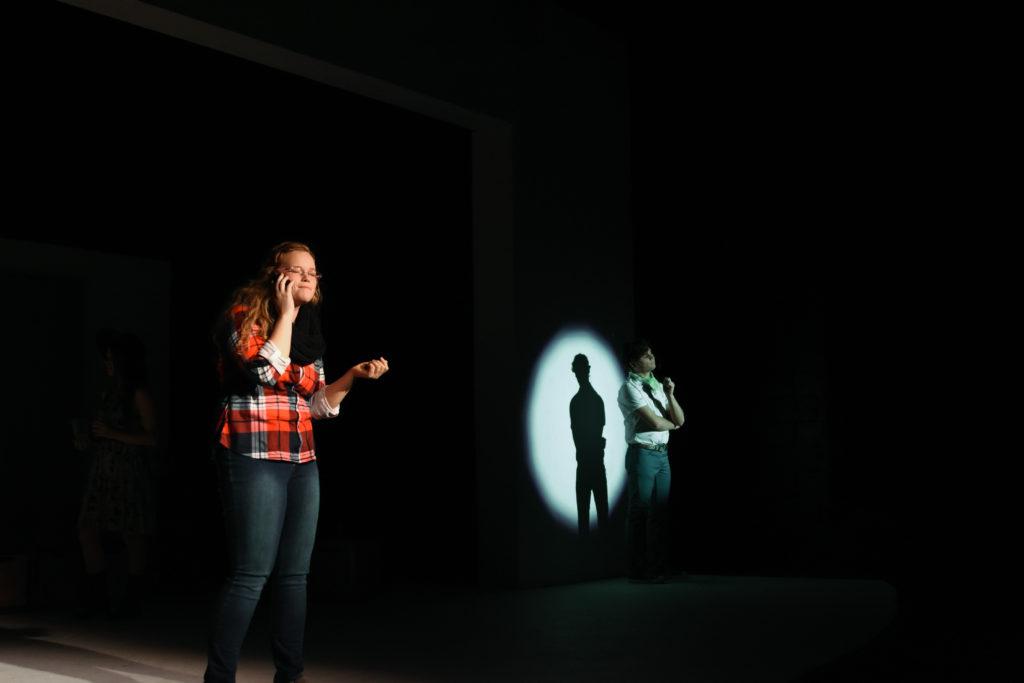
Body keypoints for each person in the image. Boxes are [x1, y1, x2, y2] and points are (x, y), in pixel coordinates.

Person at [205, 241, 389, 683]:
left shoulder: (309, 330)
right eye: (299, 271)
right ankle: (219, 677)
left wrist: (352, 377)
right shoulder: (243, 316)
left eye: (314, 272)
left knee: (295, 577)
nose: (309, 278)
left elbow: (319, 405)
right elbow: (266, 372)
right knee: (252, 574)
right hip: (252, 454)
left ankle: (291, 674)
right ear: (276, 274)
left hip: (301, 458)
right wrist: (284, 315)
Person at [76, 330, 158, 617]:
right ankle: (98, 595)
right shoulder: (108, 391)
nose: (106, 365)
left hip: (127, 471)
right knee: (88, 529)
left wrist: (114, 433)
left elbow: (153, 437)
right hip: (104, 468)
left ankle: (133, 597)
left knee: (132, 533)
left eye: (111, 360)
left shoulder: (137, 394)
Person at [616, 340, 684, 583]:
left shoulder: (657, 386)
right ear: (634, 363)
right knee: (640, 512)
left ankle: (657, 567)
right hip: (643, 454)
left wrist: (669, 394)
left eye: (651, 353)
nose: (652, 357)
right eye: (646, 356)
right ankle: (636, 570)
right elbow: (655, 422)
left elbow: (680, 418)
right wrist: (672, 424)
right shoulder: (629, 388)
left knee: (660, 514)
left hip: (662, 454)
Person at [570, 353, 608, 536]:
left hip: (586, 465)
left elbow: (579, 436)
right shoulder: (594, 400)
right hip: (592, 464)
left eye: (579, 370)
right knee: (599, 518)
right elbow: (595, 434)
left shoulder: (577, 402)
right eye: (578, 371)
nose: (578, 374)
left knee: (586, 519)